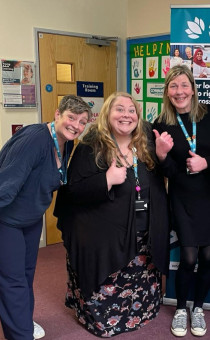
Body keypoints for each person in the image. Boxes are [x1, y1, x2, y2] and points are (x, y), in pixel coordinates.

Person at [54, 91, 170, 337]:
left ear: (138, 117)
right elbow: (72, 193)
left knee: (141, 276)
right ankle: (104, 320)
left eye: (131, 110)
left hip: (143, 232)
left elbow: (161, 181)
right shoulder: (91, 146)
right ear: (107, 114)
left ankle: (141, 312)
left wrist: (161, 156)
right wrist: (106, 180)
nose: (126, 115)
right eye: (119, 109)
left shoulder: (146, 142)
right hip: (104, 235)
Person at [0, 95, 91, 340]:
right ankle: (20, 335)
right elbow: (7, 182)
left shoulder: (66, 142)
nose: (76, 125)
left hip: (30, 219)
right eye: (71, 118)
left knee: (26, 274)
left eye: (83, 122)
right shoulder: (35, 139)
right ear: (57, 114)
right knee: (13, 280)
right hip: (7, 219)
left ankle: (21, 322)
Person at [153, 65, 210, 337]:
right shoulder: (162, 124)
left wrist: (206, 162)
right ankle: (181, 308)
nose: (179, 91)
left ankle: (198, 308)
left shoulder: (208, 115)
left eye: (184, 85)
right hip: (182, 198)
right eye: (173, 86)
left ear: (193, 89)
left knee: (209, 256)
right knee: (188, 257)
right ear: (167, 92)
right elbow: (162, 172)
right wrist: (162, 156)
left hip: (209, 195)